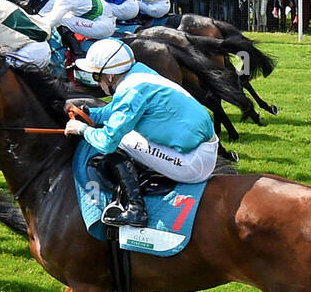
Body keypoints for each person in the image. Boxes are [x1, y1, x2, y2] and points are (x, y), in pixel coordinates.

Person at [64, 39, 218, 227]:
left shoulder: (131, 90)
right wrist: (88, 113)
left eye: (97, 77)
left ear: (110, 76)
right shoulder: (137, 73)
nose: (97, 82)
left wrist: (83, 129)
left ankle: (136, 209)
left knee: (119, 140)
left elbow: (107, 142)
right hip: (202, 148)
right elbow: (113, 111)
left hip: (193, 162)